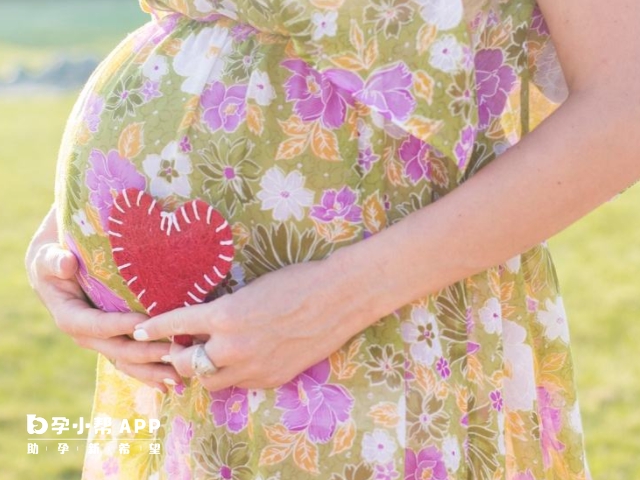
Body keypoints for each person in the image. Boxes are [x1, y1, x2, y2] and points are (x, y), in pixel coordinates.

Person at [25, 0, 639, 478]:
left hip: (381, 334)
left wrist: (340, 297)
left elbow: (625, 108)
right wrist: (69, 242)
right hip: (178, 375)